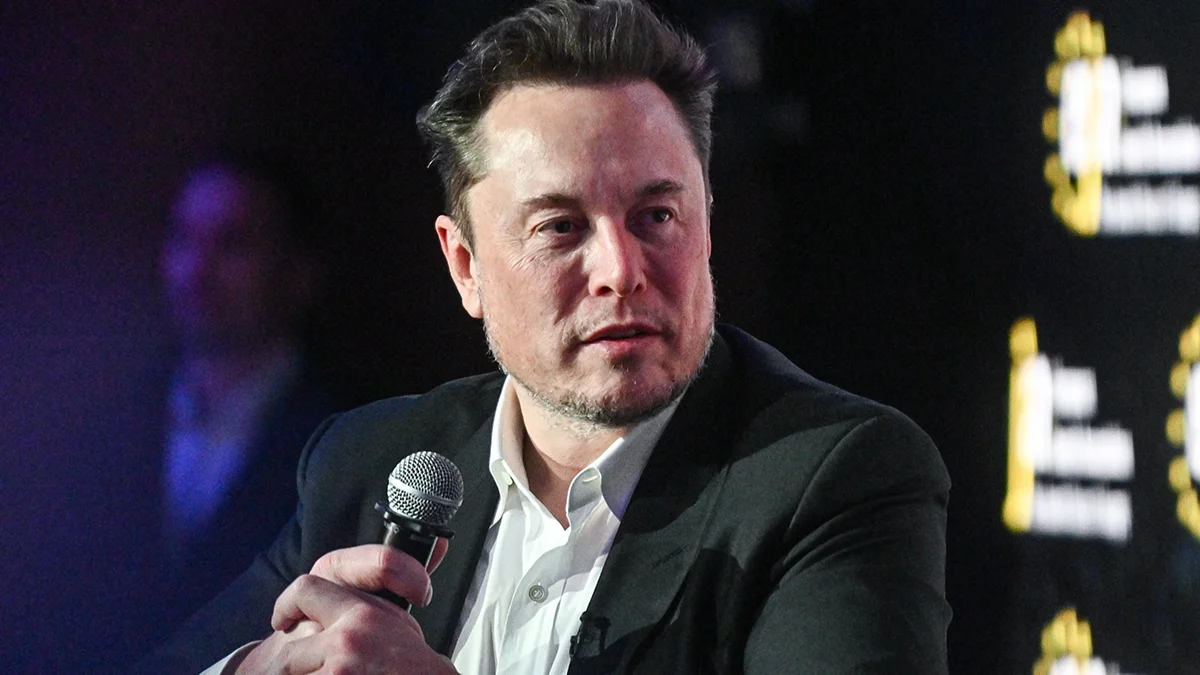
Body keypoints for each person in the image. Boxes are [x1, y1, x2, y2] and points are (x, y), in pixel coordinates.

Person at [138, 1, 951, 673]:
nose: (621, 270)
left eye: (656, 215)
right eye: (560, 226)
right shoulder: (373, 459)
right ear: (466, 267)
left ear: (705, 225)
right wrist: (262, 666)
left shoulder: (834, 477)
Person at [150, 152, 344, 634]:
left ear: (298, 271)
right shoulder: (102, 421)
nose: (197, 270)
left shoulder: (342, 436)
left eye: (232, 244)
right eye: (184, 238)